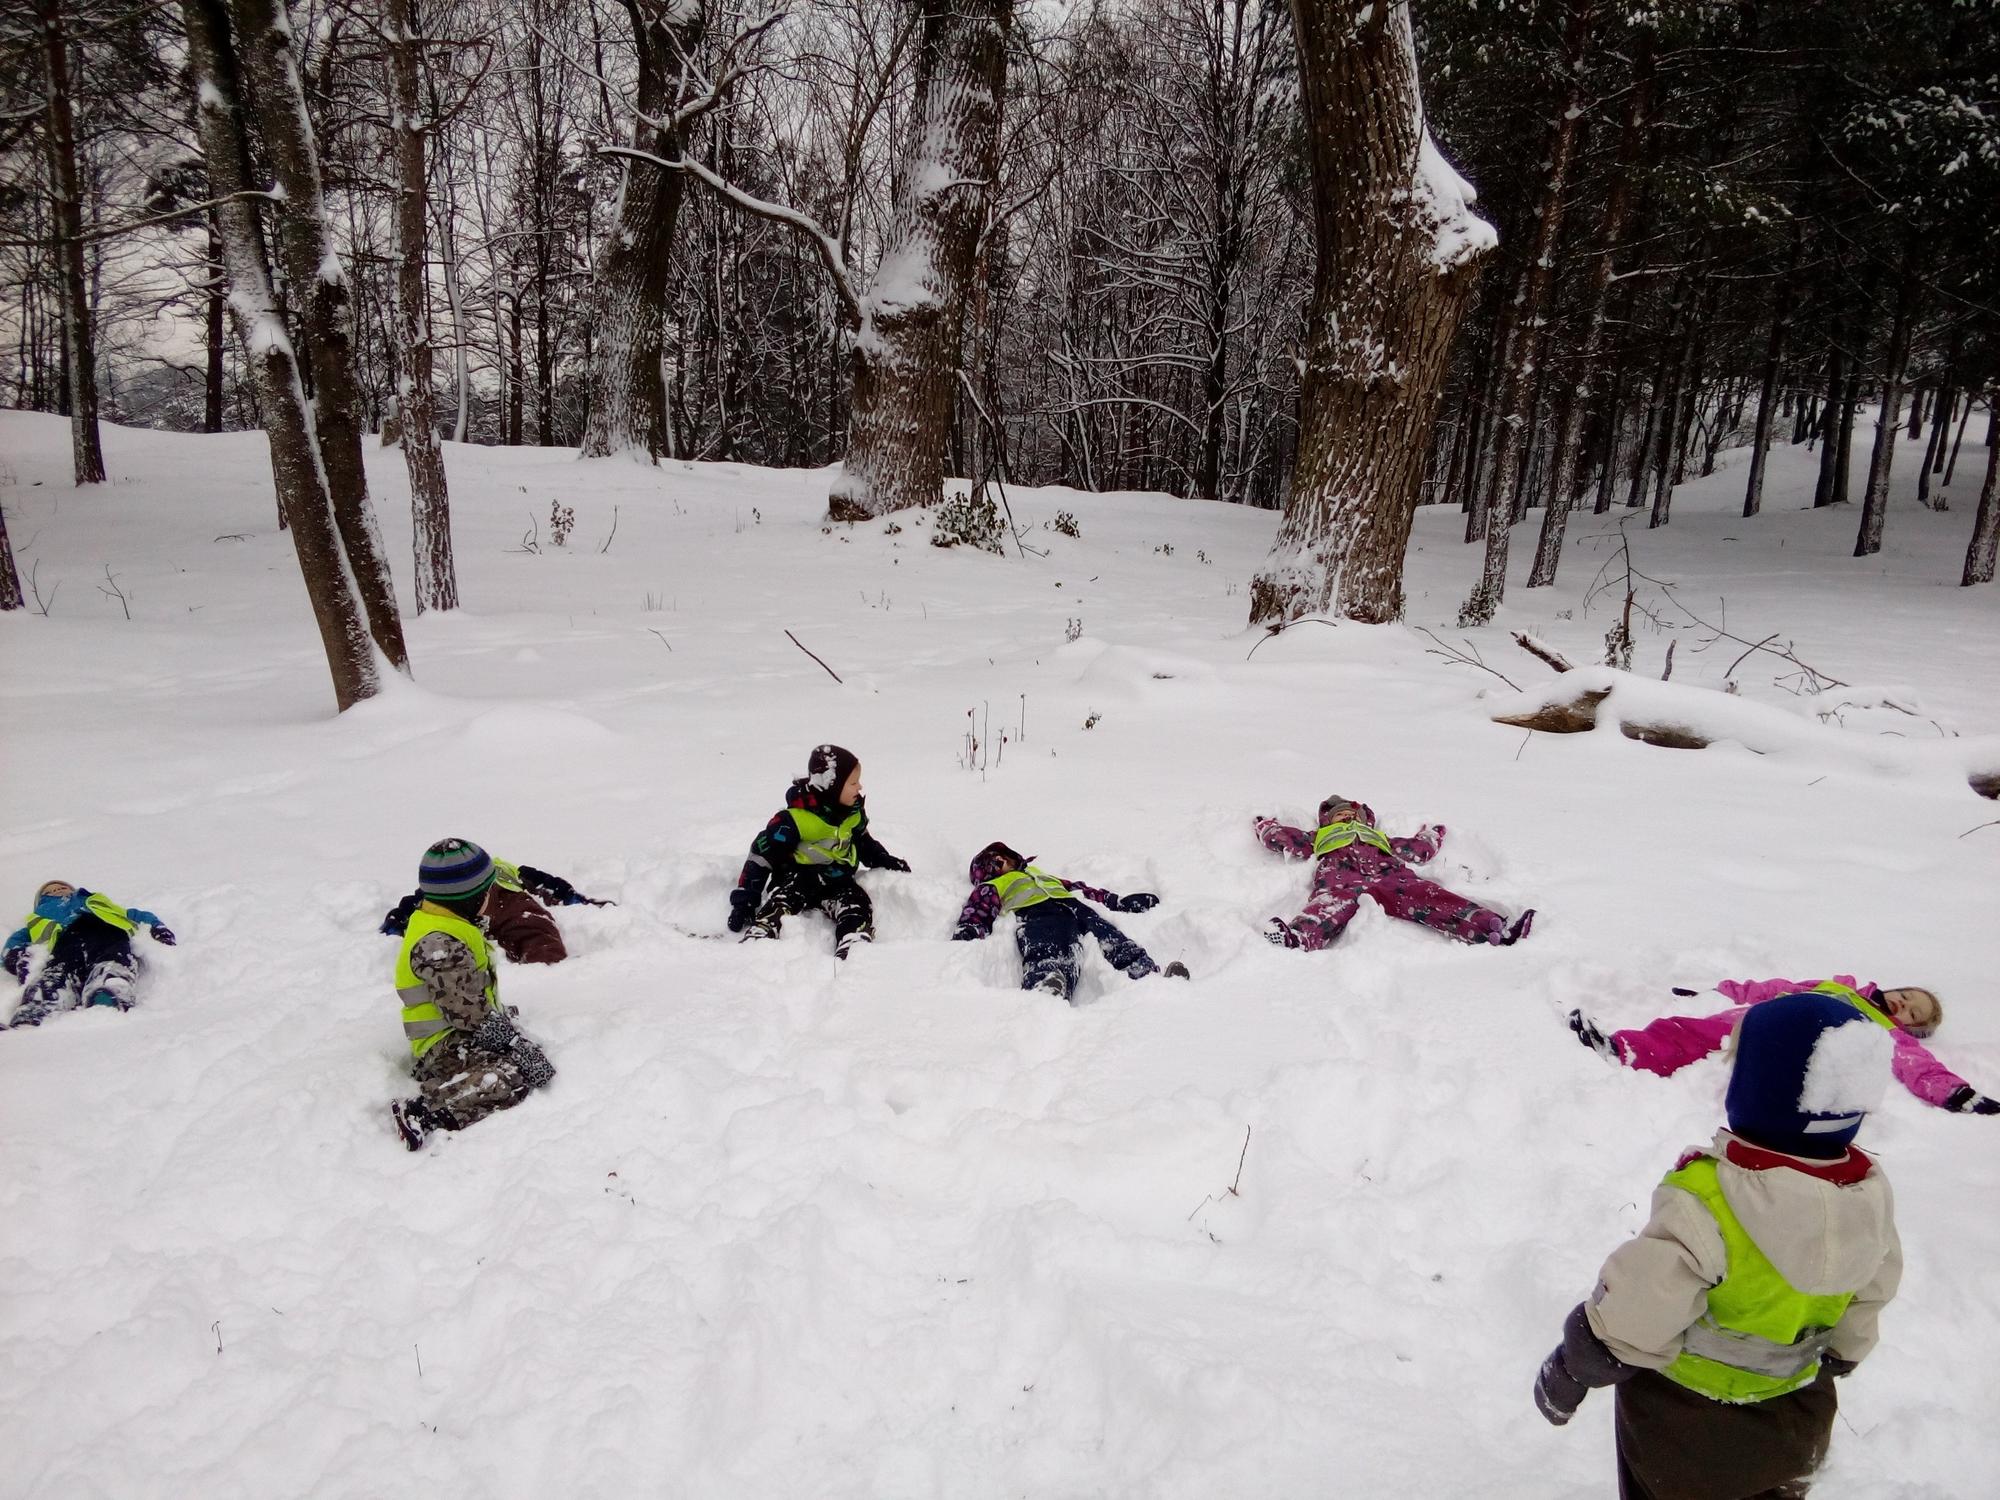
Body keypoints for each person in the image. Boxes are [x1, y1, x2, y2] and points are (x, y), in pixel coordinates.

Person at [1534, 990, 1903, 1499]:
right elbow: (1874, 1287)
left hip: (1685, 1425)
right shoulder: (1868, 1196)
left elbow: (1639, 1309)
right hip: (1798, 1420)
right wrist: (1843, 1353)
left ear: (1756, 1090)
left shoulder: (1711, 1201)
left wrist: (1575, 1365)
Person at [1568, 975, 1997, 1115]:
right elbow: (1779, 988)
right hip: (1763, 1014)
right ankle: (1629, 1047)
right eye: (1910, 997)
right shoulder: (1841, 985)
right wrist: (1724, 990)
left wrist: (1957, 1092)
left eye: (1913, 1014)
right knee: (1691, 1028)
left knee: (1709, 1040)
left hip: (1790, 1038)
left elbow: (1917, 1066)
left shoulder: (1884, 1030)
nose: (1905, 1006)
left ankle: (1627, 1052)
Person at [390, 839, 556, 1151]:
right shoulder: (437, 944)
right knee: (512, 1075)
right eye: (486, 891)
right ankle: (425, 1112)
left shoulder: (450, 921)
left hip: (463, 1031)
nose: (490, 897)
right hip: (442, 1048)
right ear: (467, 897)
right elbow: (465, 1012)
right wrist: (513, 1044)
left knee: (516, 1058)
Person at [1253, 795, 1532, 949]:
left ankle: (1489, 925)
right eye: (1340, 814)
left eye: (1353, 814)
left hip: (1390, 874)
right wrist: (1267, 826)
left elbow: (1414, 849)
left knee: (1427, 895)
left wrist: (1431, 835)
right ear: (1329, 819)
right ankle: (1298, 937)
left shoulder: (1380, 838)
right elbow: (1287, 840)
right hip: (1341, 874)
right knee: (1328, 905)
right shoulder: (1320, 835)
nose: (1348, 817)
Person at [726, 744, 910, 958]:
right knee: (781, 901)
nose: (859, 787)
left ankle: (854, 940)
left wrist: (883, 859)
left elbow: (862, 841)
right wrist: (745, 900)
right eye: (853, 783)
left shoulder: (853, 813)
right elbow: (761, 855)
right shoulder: (794, 820)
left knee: (857, 902)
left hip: (837, 881)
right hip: (797, 878)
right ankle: (762, 932)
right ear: (832, 785)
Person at [951, 841, 1190, 1002]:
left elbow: (1081, 889)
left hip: (1075, 908)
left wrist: (1118, 902)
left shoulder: (1040, 874)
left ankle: (1146, 973)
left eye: (1002, 856)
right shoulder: (993, 886)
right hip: (1035, 914)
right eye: (993, 861)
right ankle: (1046, 984)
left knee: (1109, 936)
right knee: (1048, 945)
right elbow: (978, 909)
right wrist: (969, 928)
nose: (1000, 860)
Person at [3, 880, 175, 1028]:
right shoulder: (38, 916)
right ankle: (37, 1007)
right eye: (50, 891)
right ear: (41, 901)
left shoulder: (95, 900)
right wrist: (15, 955)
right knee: (57, 971)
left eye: (62, 887)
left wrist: (157, 927)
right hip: (65, 941)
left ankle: (108, 990)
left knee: (113, 957)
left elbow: (135, 914)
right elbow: (17, 940)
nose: (57, 891)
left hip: (106, 931)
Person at [380, 854, 610, 965]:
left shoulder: (515, 908)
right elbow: (415, 905)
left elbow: (541, 941)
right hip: (492, 876)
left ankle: (573, 899)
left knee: (550, 888)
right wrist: (397, 924)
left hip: (506, 885)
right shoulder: (438, 895)